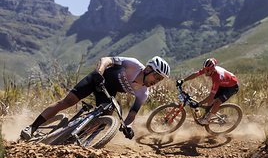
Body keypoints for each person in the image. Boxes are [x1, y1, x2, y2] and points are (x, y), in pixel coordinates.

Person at [20, 56, 170, 140]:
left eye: (160, 79)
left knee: (104, 118)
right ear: (148, 69)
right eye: (157, 76)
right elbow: (107, 60)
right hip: (98, 79)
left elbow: (131, 115)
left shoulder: (143, 93)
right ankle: (32, 127)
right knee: (67, 102)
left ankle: (76, 137)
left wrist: (127, 126)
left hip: (108, 91)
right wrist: (99, 73)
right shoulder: (134, 65)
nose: (157, 81)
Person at [176, 57, 239, 125]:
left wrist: (199, 104)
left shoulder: (217, 77)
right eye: (205, 69)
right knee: (210, 103)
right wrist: (183, 80)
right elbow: (195, 74)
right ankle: (206, 115)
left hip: (232, 87)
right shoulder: (208, 69)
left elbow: (210, 97)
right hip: (224, 84)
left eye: (207, 70)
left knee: (217, 101)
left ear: (212, 70)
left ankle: (207, 119)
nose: (205, 72)